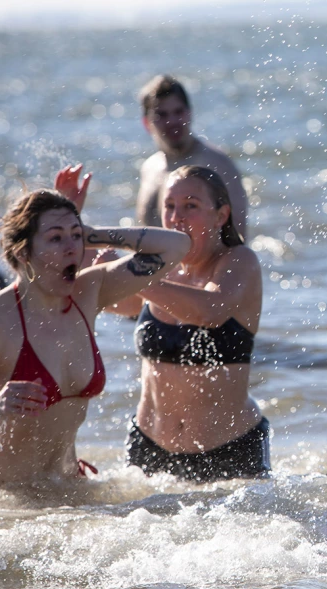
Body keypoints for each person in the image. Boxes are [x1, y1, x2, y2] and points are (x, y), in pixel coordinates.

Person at [0, 166, 191, 489]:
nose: (72, 248)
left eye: (76, 237)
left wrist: (90, 232)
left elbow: (177, 246)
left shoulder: (89, 292)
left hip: (63, 485)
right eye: (56, 238)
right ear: (23, 252)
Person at [105, 165, 269, 482]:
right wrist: (71, 224)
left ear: (221, 215)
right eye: (169, 206)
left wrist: (135, 279)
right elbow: (100, 297)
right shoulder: (158, 267)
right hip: (148, 448)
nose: (176, 217)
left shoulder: (239, 262)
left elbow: (211, 310)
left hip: (229, 453)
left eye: (190, 206)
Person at [136, 75, 249, 240]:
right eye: (162, 114)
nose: (172, 121)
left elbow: (237, 240)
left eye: (178, 112)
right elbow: (144, 238)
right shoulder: (149, 167)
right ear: (146, 123)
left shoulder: (218, 164)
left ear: (190, 113)